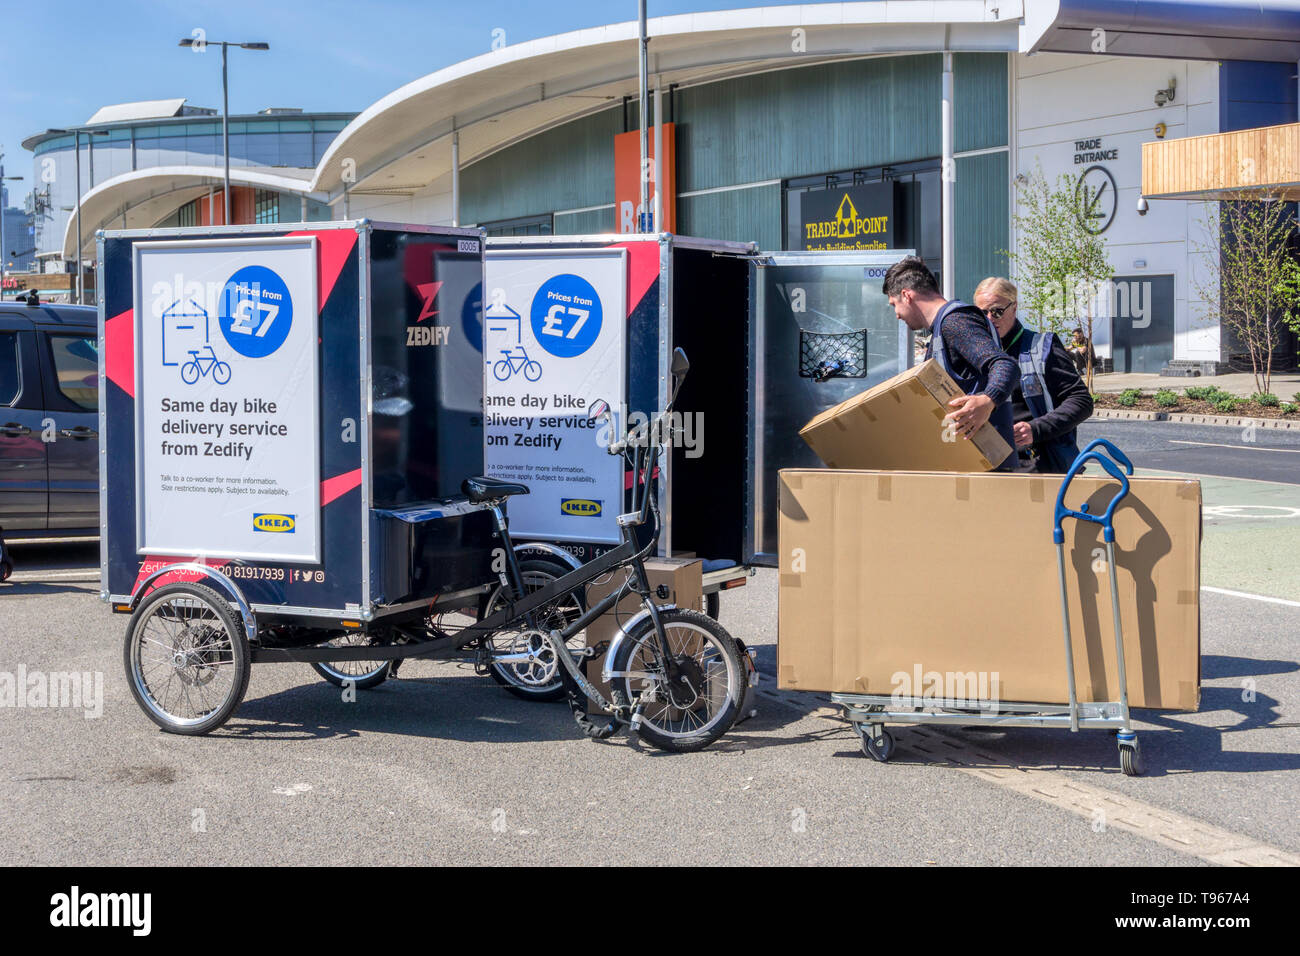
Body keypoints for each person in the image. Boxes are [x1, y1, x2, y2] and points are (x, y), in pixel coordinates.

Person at [881, 257, 1019, 470]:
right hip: (973, 466)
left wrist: (987, 401)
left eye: (894, 304)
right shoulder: (942, 328)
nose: (896, 315)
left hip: (988, 469)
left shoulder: (955, 322)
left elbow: (1005, 365)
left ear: (907, 295)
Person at [972, 277, 1093, 474]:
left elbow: (1081, 401)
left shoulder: (1043, 347)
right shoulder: (975, 351)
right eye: (982, 313)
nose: (989, 319)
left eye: (996, 311)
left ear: (1014, 307)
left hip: (1036, 464)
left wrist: (1035, 429)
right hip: (987, 465)